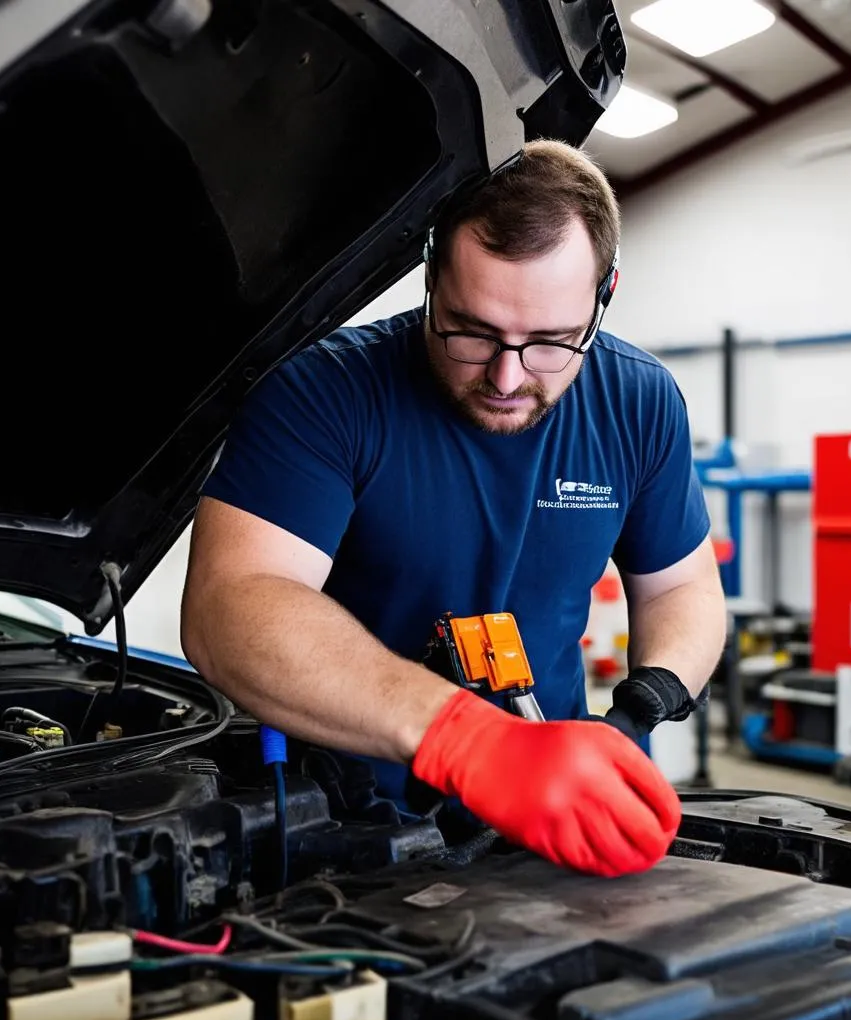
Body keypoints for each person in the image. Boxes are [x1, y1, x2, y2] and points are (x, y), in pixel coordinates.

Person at [180, 139, 727, 878]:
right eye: (471, 330)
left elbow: (682, 588)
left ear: (605, 293)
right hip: (341, 829)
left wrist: (636, 715)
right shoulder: (322, 394)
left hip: (551, 819)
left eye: (550, 342)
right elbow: (232, 607)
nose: (507, 375)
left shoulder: (638, 401)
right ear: (431, 275)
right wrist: (466, 741)